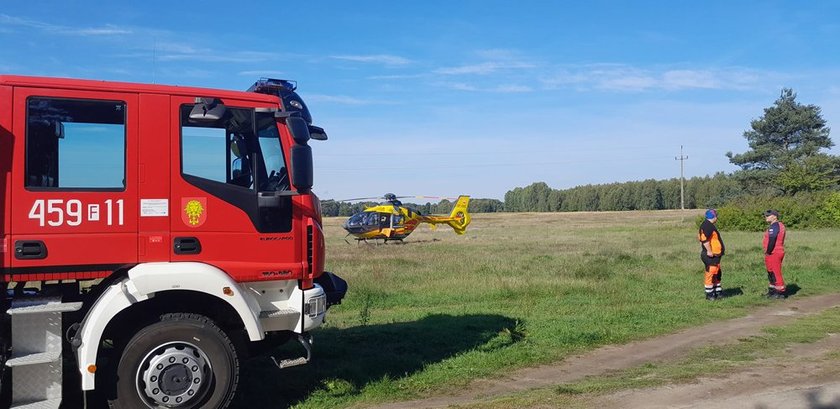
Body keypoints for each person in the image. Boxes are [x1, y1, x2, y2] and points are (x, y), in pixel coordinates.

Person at [698, 209, 725, 300]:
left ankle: (717, 291)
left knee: (717, 273)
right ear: (713, 216)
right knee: (711, 272)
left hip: (715, 255)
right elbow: (704, 239)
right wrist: (709, 251)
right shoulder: (707, 225)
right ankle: (709, 294)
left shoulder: (709, 225)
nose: (717, 217)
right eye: (716, 216)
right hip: (710, 255)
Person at [763, 209, 787, 299]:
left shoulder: (775, 226)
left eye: (768, 215)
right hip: (774, 251)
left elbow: (772, 239)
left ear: (774, 216)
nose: (766, 217)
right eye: (765, 215)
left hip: (774, 252)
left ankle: (780, 292)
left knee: (776, 272)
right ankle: (772, 290)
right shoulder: (776, 225)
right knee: (771, 272)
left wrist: (768, 251)